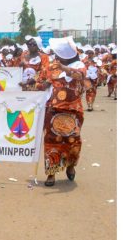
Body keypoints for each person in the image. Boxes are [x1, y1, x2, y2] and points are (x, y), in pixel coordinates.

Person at [36, 37, 87, 187]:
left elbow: (79, 76)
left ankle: (70, 165)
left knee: (72, 141)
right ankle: (51, 173)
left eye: (58, 53)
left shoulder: (80, 66)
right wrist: (29, 84)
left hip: (72, 112)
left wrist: (63, 69)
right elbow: (44, 84)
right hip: (53, 111)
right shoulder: (52, 67)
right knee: (52, 142)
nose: (55, 56)